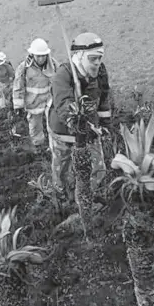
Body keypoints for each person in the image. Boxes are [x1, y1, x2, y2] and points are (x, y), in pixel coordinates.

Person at [47, 32, 112, 198]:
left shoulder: (100, 72)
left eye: (100, 57)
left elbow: (103, 97)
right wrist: (76, 121)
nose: (97, 63)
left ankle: (93, 196)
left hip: (91, 129)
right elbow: (62, 104)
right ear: (79, 56)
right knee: (62, 166)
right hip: (63, 131)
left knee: (98, 166)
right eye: (93, 58)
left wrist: (104, 124)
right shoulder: (63, 74)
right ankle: (60, 196)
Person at [13, 38, 58, 151]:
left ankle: (54, 148)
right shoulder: (24, 68)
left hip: (49, 101)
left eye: (43, 56)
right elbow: (18, 86)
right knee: (35, 126)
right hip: (33, 103)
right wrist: (18, 105)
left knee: (53, 125)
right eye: (38, 56)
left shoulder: (54, 65)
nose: (41, 58)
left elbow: (61, 80)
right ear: (32, 55)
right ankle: (38, 146)